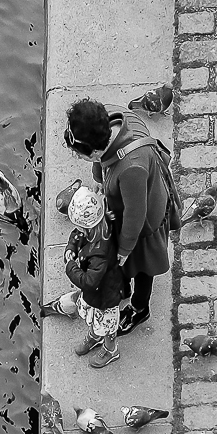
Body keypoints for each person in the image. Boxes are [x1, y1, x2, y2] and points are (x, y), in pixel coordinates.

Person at [64, 98, 179, 336]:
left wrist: (125, 251)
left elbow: (136, 215)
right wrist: (99, 177)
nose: (79, 158)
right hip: (126, 206)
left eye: (80, 155)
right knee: (124, 258)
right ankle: (123, 286)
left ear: (95, 150)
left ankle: (139, 307)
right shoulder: (107, 118)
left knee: (142, 265)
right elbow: (102, 162)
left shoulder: (131, 168)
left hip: (145, 222)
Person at [63, 185, 123, 368]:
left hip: (105, 297)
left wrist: (70, 267)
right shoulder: (95, 229)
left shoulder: (100, 255)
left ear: (88, 227)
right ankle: (96, 335)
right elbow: (77, 235)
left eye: (79, 228)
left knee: (108, 325)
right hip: (97, 295)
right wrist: (71, 247)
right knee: (96, 319)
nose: (77, 231)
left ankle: (111, 349)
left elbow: (89, 282)